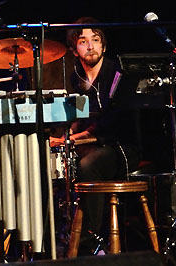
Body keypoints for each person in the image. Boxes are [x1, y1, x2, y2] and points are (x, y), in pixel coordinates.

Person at [50, 17, 140, 254]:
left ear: (104, 45)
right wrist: (66, 134)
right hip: (93, 146)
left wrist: (72, 139)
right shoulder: (76, 77)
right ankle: (57, 237)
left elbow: (111, 123)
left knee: (88, 165)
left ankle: (93, 240)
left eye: (95, 40)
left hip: (122, 147)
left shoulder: (117, 73)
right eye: (83, 41)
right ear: (74, 49)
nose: (90, 46)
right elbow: (79, 116)